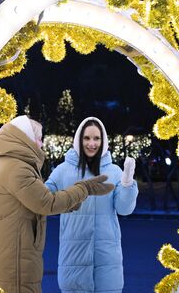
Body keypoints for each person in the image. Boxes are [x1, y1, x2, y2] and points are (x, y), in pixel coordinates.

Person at [0, 115, 115, 293]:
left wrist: (72, 202)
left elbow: (38, 198)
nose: (41, 144)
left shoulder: (11, 161)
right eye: (39, 139)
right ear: (25, 137)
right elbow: (47, 203)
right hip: (12, 261)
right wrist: (84, 188)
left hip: (9, 253)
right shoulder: (17, 168)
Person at [45, 117, 138, 293]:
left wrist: (126, 184)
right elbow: (43, 199)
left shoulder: (114, 171)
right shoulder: (63, 171)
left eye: (96, 138)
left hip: (107, 261)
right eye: (87, 138)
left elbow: (124, 209)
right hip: (73, 259)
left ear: (103, 141)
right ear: (79, 140)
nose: (92, 143)